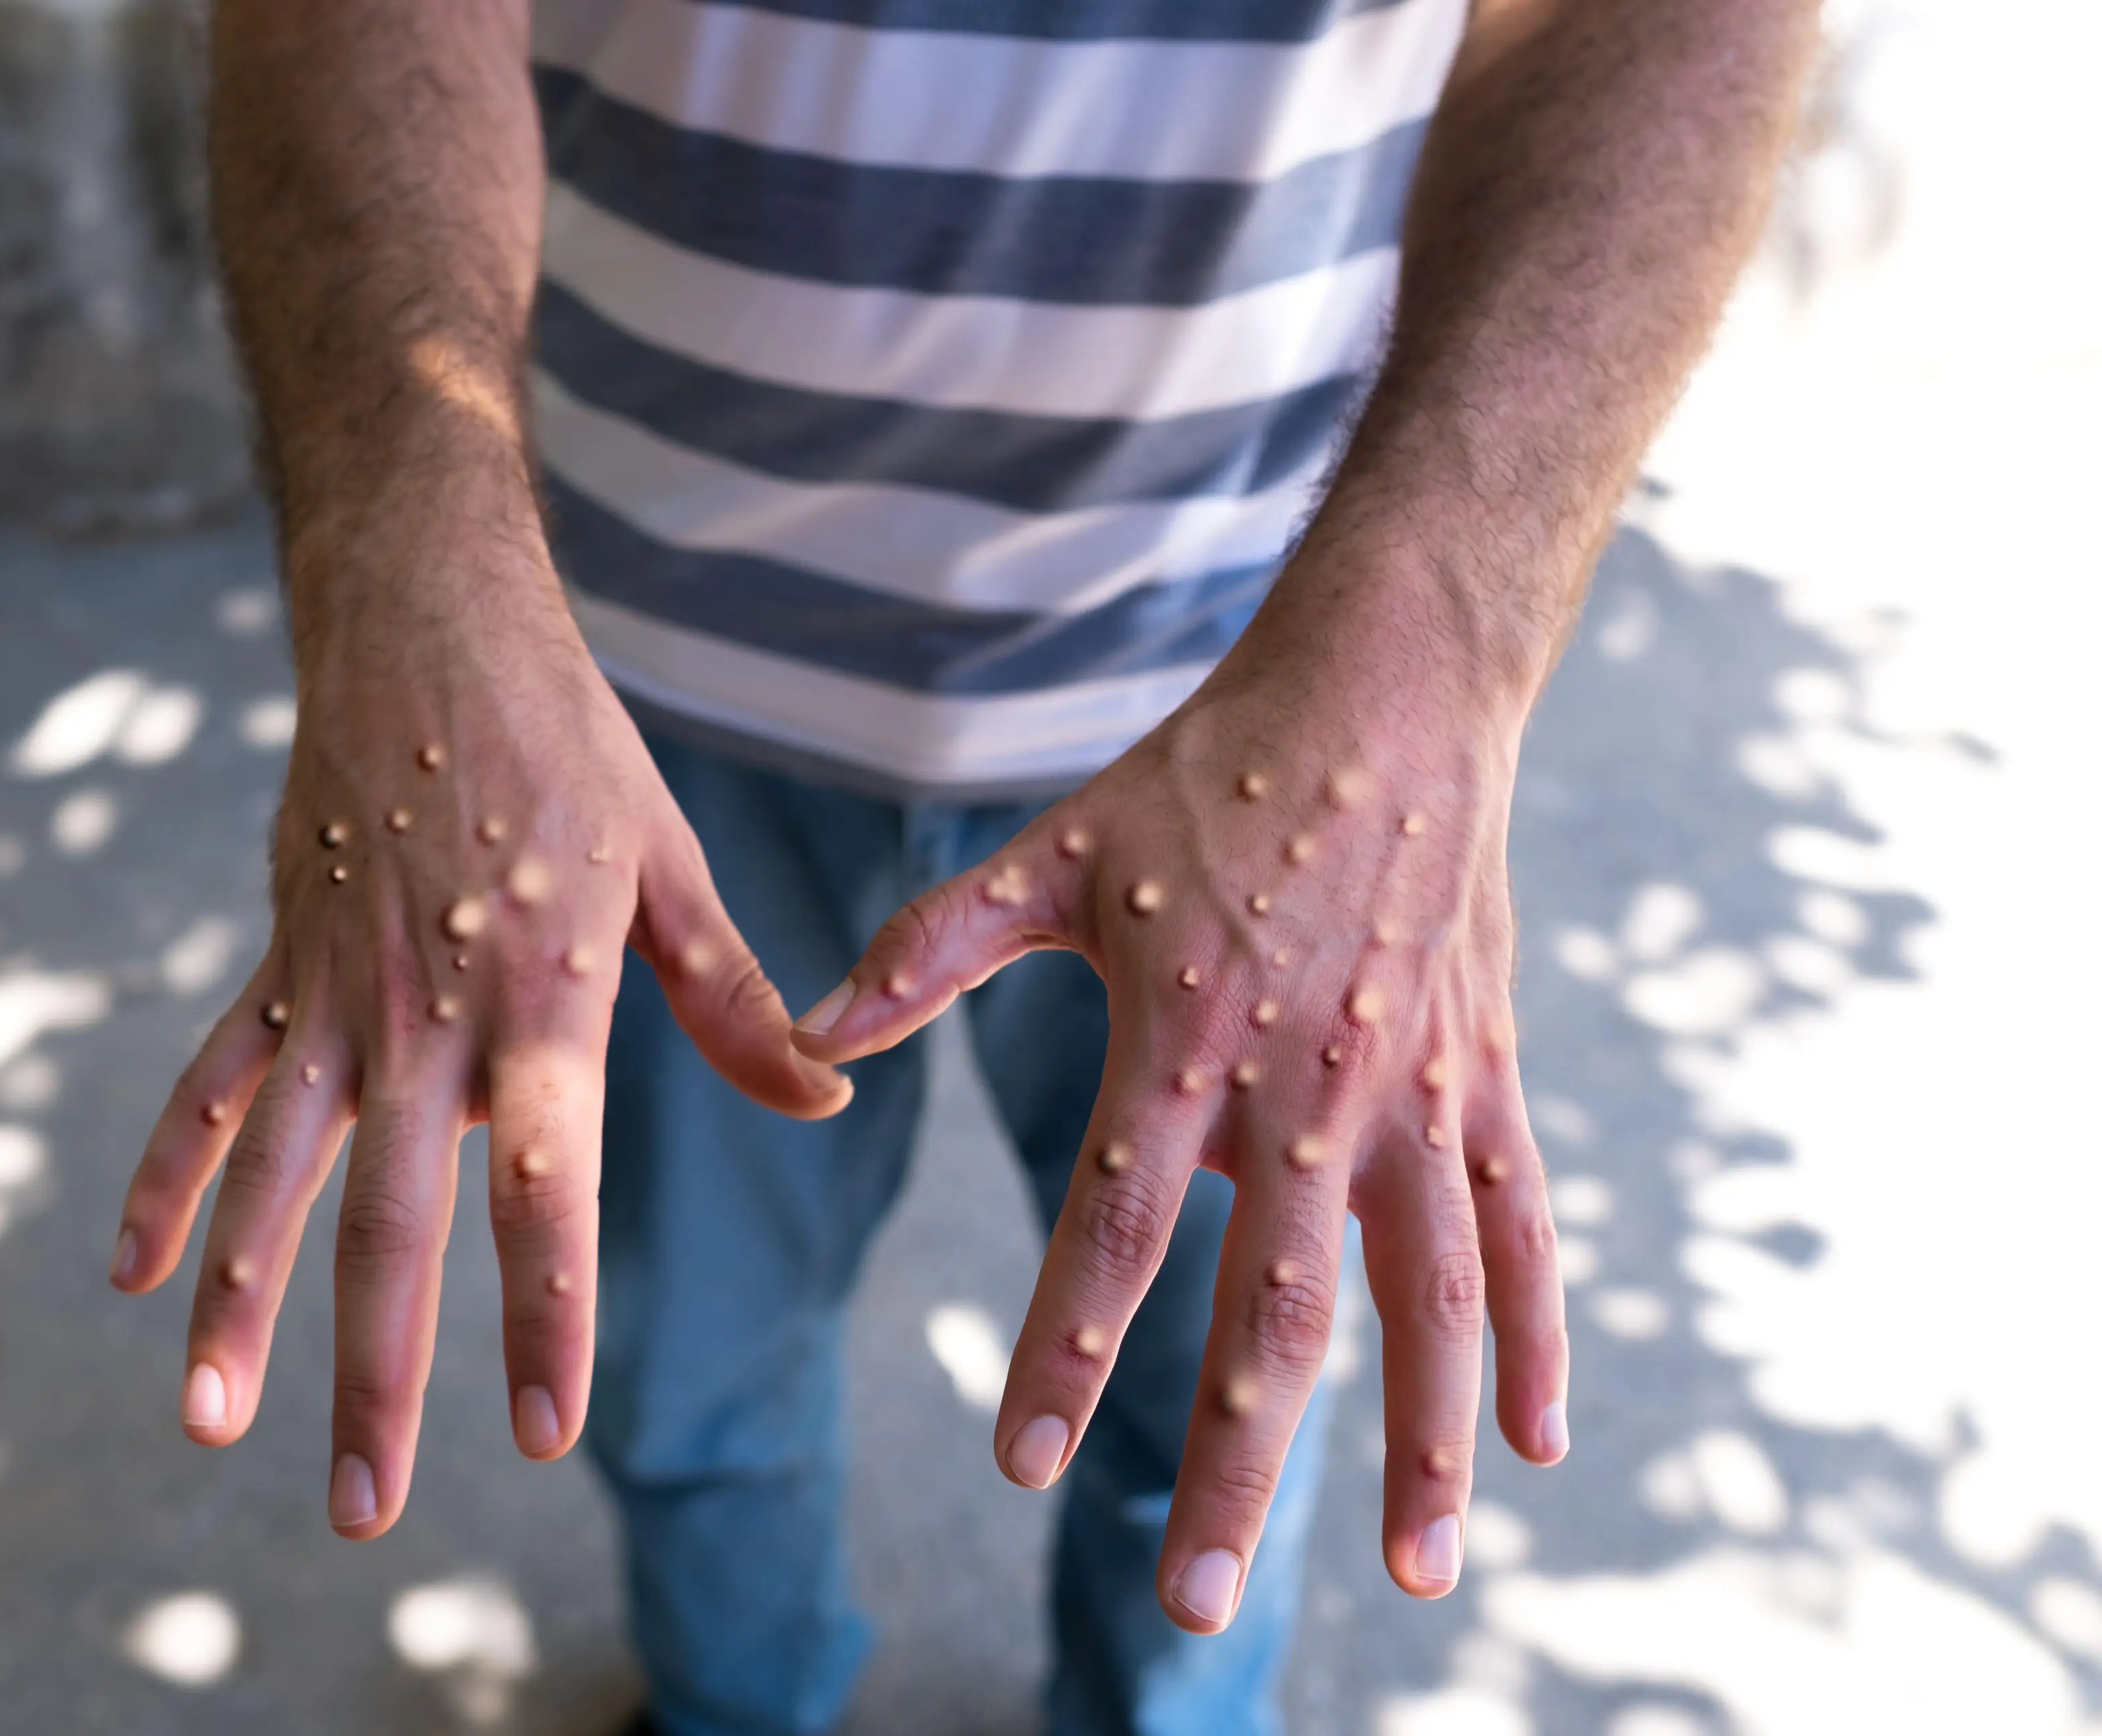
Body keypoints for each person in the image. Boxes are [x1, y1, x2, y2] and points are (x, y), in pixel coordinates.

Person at [104, 2, 1816, 1731]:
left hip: (1258, 713)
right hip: (616, 698)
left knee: (1229, 1384)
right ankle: (731, 1705)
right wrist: (401, 551)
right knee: (677, 1372)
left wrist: (1442, 640)